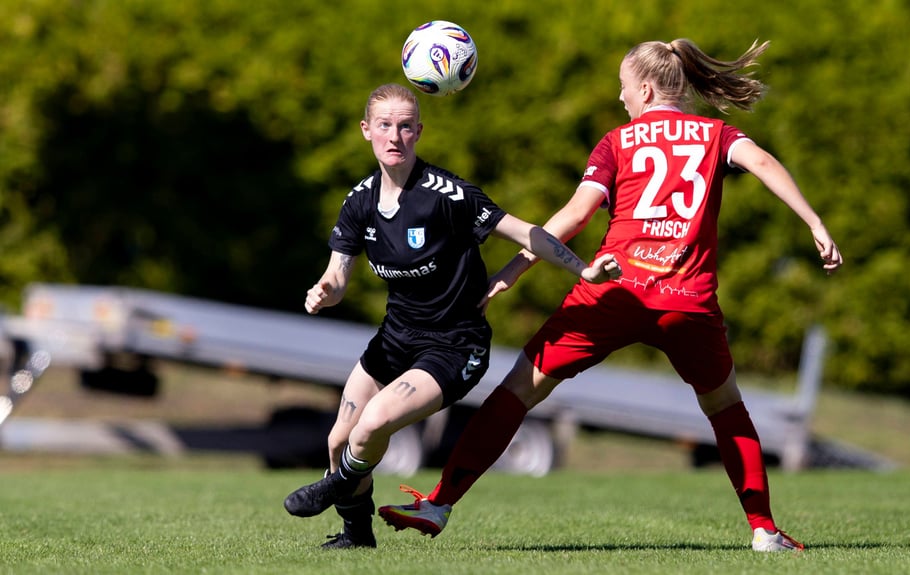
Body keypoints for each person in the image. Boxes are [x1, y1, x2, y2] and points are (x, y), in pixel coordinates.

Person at [377, 38, 843, 553]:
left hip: (610, 292)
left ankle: (441, 503)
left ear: (644, 88)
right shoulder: (716, 133)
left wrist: (516, 267)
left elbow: (575, 217)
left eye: (624, 89)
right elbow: (763, 163)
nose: (622, 99)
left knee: (517, 390)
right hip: (686, 301)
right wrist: (815, 223)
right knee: (726, 407)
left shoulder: (618, 141)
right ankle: (763, 530)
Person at [281, 83, 621, 550]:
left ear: (419, 131)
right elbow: (337, 276)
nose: (394, 136)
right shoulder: (359, 202)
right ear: (366, 131)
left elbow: (528, 234)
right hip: (395, 339)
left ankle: (334, 486)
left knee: (373, 424)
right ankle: (356, 537)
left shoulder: (448, 194)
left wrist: (582, 269)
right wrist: (324, 292)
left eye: (405, 126)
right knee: (340, 439)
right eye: (384, 126)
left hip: (453, 344)